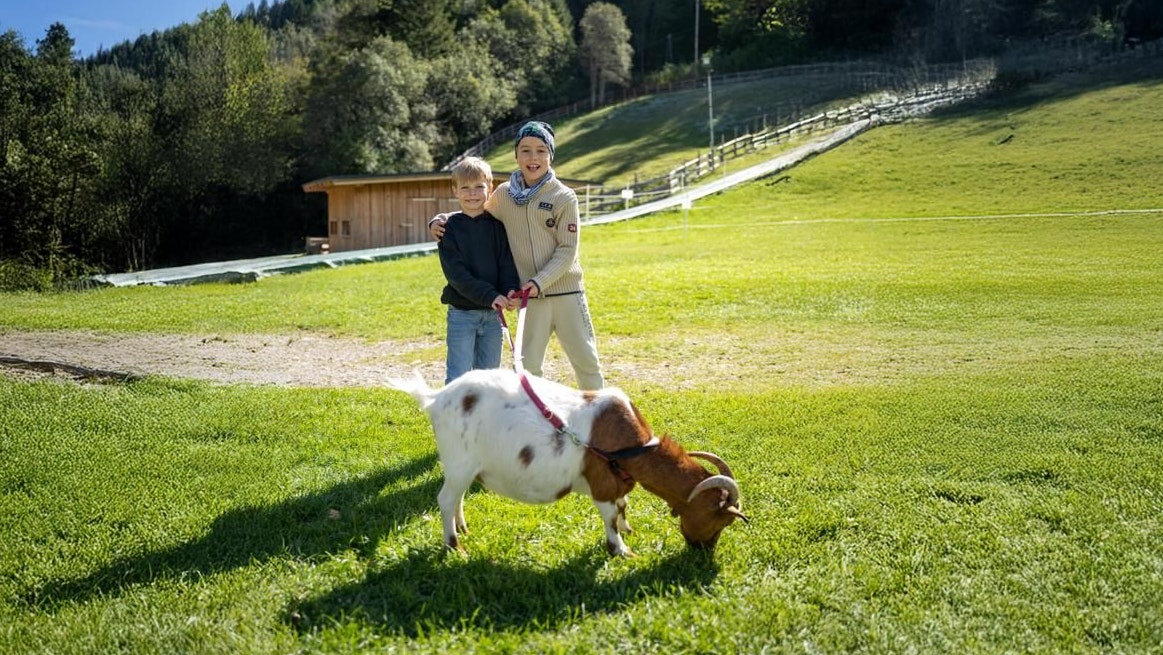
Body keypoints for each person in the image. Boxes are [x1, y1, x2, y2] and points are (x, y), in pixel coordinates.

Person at [431, 121, 604, 390]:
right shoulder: (503, 194)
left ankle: (600, 426)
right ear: (516, 155)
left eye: (540, 151)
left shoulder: (564, 197)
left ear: (550, 156)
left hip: (565, 294)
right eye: (525, 150)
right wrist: (441, 220)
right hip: (529, 299)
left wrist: (538, 282)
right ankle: (535, 427)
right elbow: (474, 210)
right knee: (527, 367)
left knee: (586, 362)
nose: (533, 158)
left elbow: (568, 249)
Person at [436, 156, 521, 385]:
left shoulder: (498, 225)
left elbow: (506, 264)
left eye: (478, 187)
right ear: (455, 191)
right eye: (465, 187)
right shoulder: (448, 229)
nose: (472, 193)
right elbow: (457, 275)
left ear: (490, 188)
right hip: (462, 315)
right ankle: (453, 420)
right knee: (459, 377)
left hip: (493, 317)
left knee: (489, 380)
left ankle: (483, 421)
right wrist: (490, 295)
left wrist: (511, 291)